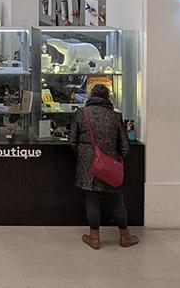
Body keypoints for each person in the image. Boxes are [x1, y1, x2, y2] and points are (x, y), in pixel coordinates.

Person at [70, 83, 139, 249]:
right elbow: (124, 145)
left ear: (91, 96)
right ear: (108, 97)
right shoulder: (115, 116)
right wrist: (116, 157)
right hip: (110, 163)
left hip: (89, 163)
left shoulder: (82, 113)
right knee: (117, 199)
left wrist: (84, 155)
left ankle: (94, 237)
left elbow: (72, 140)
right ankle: (124, 236)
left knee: (92, 199)